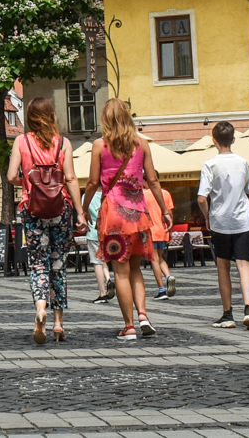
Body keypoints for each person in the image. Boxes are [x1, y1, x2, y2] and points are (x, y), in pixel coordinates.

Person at [84, 98, 167, 340]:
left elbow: (92, 182)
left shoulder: (100, 146)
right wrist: (165, 210)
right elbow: (153, 181)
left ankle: (129, 326)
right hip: (138, 213)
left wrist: (83, 209)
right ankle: (143, 315)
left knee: (120, 273)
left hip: (114, 215)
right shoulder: (142, 144)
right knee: (136, 269)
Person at [8, 95, 80, 344]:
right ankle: (59, 323)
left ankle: (41, 308)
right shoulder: (63, 143)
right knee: (58, 265)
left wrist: (29, 183)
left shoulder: (21, 141)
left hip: (33, 210)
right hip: (61, 209)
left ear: (30, 118)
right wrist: (81, 212)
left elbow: (11, 176)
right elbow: (71, 178)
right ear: (52, 115)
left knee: (39, 264)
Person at [197, 120, 249, 331]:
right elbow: (248, 191)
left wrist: (207, 217)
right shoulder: (243, 162)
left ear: (214, 140)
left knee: (223, 267)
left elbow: (201, 198)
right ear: (233, 139)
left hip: (220, 222)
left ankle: (227, 314)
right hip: (243, 220)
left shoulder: (210, 165)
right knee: (244, 265)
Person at [144, 183, 178, 298]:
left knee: (154, 260)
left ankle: (161, 290)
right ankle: (168, 276)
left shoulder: (144, 194)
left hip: (150, 231)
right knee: (160, 258)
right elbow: (170, 213)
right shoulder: (165, 193)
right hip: (163, 230)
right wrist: (170, 231)